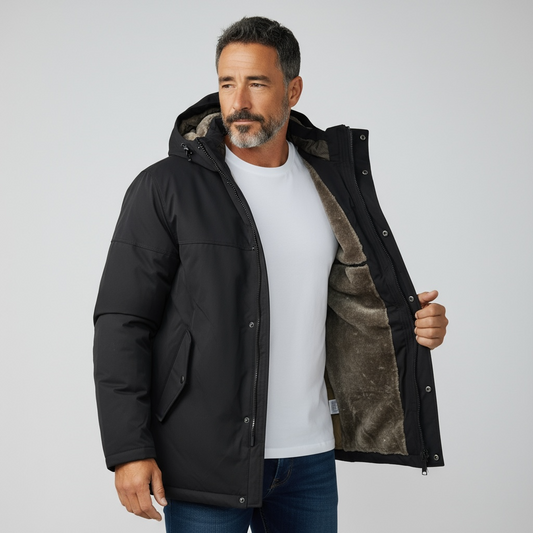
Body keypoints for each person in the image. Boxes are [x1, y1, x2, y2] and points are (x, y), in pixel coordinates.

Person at [93, 16, 448, 533]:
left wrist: (414, 324)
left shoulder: (332, 185)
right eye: (227, 83)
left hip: (309, 460)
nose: (238, 101)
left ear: (293, 90)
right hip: (201, 459)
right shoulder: (166, 186)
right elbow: (122, 322)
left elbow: (354, 301)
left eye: (256, 83)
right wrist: (128, 449)